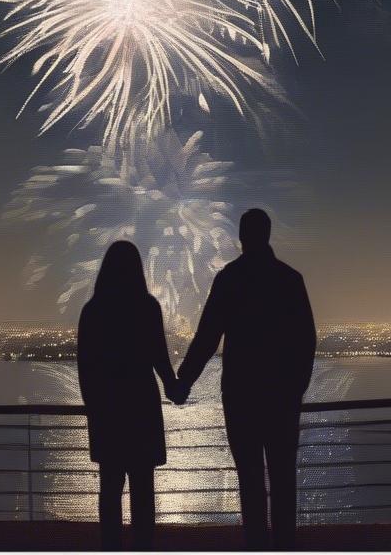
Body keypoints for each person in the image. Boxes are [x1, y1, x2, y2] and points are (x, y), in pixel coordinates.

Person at [176, 208, 317, 550]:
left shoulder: (230, 279)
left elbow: (208, 337)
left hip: (241, 399)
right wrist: (295, 389)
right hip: (282, 400)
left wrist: (183, 381)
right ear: (268, 236)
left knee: (250, 480)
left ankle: (256, 545)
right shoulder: (290, 279)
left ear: (241, 238)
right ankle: (285, 545)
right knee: (284, 479)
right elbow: (306, 341)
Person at [77, 240, 182, 550]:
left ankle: (110, 547)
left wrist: (95, 408)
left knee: (109, 491)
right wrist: (176, 387)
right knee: (143, 492)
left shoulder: (93, 311)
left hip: (107, 411)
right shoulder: (147, 307)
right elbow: (161, 359)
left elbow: (86, 368)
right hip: (141, 410)